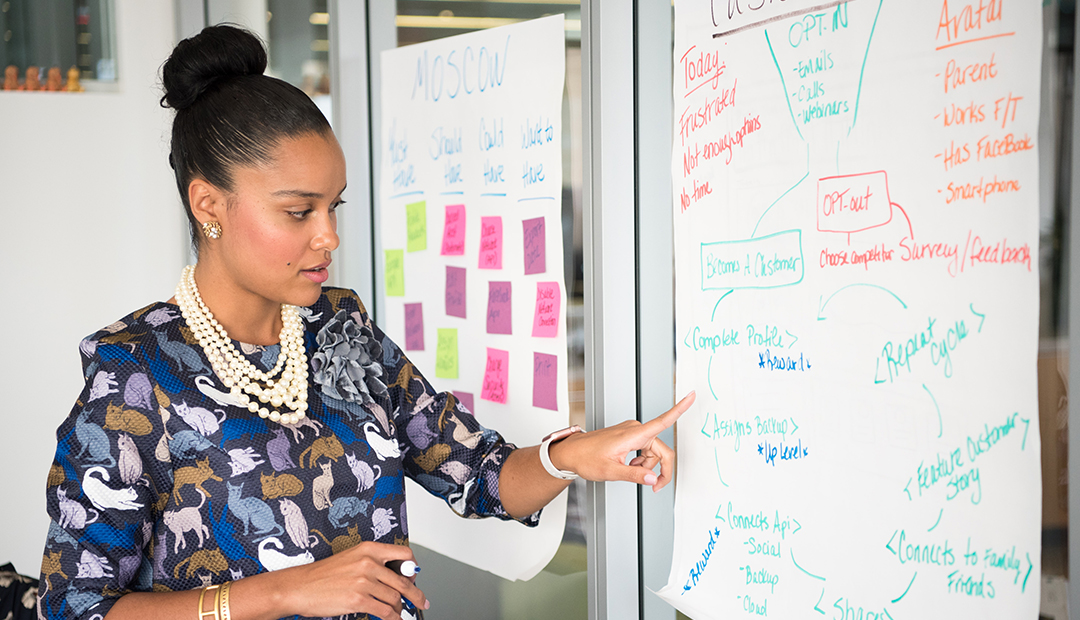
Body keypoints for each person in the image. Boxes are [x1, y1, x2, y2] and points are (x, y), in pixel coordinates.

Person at [37, 25, 694, 620]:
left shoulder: (337, 329)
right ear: (208, 204)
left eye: (334, 207)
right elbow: (76, 608)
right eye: (299, 212)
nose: (328, 237)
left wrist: (575, 455)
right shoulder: (133, 376)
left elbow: (479, 476)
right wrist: (287, 591)